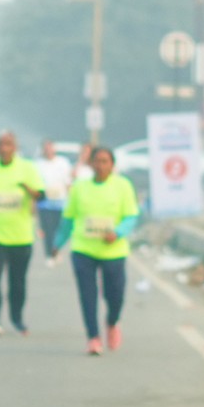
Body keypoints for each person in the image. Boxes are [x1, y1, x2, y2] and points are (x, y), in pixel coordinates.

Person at [58, 144, 141, 356]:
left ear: (112, 165)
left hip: (113, 251)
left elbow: (131, 216)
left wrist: (118, 232)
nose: (101, 166)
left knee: (115, 295)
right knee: (88, 295)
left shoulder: (123, 186)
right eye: (97, 161)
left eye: (105, 162)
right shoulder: (80, 187)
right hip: (83, 249)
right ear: (91, 164)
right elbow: (68, 219)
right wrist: (57, 243)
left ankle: (112, 322)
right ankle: (93, 337)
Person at [0, 131, 44, 336]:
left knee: (17, 282)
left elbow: (41, 195)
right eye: (0, 144)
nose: (4, 148)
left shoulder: (27, 169)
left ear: (15, 147)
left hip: (20, 236)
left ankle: (17, 317)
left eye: (8, 144)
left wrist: (30, 190)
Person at [36, 139, 75, 262]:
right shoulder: (38, 164)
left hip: (60, 202)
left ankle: (56, 250)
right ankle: (49, 254)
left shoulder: (63, 163)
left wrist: (71, 199)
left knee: (59, 229)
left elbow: (68, 183)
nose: (48, 151)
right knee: (48, 230)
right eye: (46, 148)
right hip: (45, 204)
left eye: (50, 148)